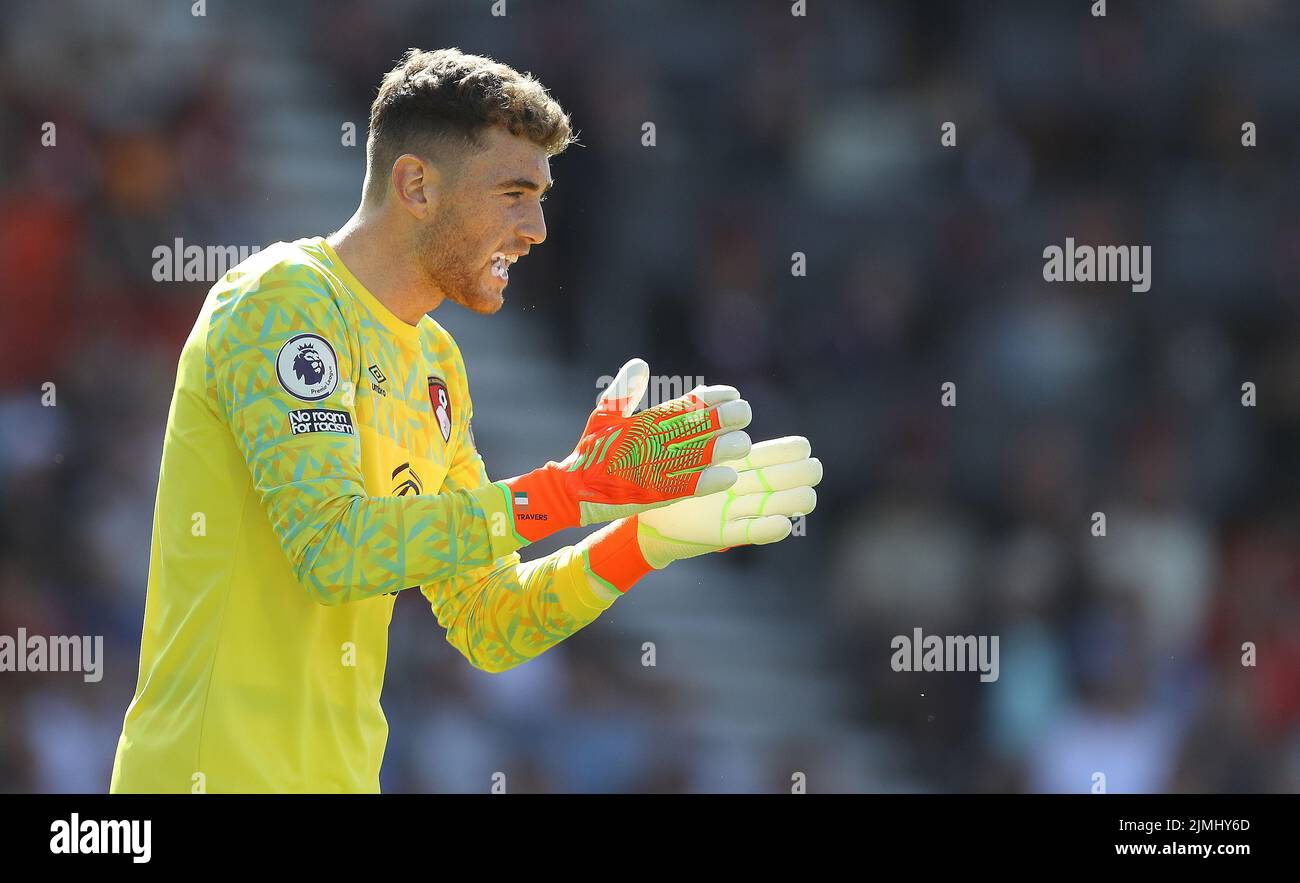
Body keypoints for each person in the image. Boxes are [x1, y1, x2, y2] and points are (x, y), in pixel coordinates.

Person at [111, 48, 819, 793]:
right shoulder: (283, 302)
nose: (537, 227)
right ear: (416, 184)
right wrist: (566, 491)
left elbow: (490, 621)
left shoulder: (438, 363)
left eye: (540, 195)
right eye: (513, 192)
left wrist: (641, 540)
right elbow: (329, 548)